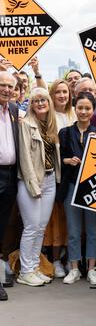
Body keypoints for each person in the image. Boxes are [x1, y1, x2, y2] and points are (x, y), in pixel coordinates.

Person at [17, 88, 60, 286]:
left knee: (41, 227)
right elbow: (25, 158)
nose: (41, 103)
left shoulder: (50, 125)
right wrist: (33, 185)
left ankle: (34, 267)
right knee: (31, 227)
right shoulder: (26, 124)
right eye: (36, 100)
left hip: (50, 179)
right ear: (31, 104)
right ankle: (25, 271)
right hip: (32, 180)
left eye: (44, 100)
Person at [59, 93, 96, 287]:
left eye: (88, 108)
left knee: (93, 230)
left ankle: (92, 268)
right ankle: (74, 267)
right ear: (75, 109)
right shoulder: (65, 132)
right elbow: (56, 158)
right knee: (74, 230)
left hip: (93, 188)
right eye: (80, 108)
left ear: (93, 110)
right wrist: (66, 161)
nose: (84, 112)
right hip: (71, 186)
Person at [43, 80, 77, 278]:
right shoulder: (49, 115)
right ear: (52, 94)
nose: (62, 95)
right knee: (56, 219)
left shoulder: (75, 112)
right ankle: (55, 259)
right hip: (56, 172)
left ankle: (68, 258)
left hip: (73, 174)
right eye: (58, 92)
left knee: (70, 221)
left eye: (65, 92)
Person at [0, 70, 19, 300]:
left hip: (10, 176)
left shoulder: (14, 109)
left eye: (9, 86)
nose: (5, 89)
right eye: (1, 84)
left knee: (2, 228)